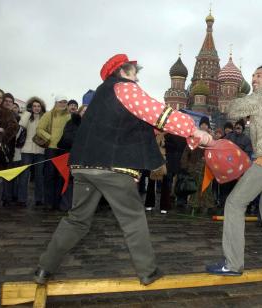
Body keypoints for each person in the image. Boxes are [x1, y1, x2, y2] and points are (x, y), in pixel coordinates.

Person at [34, 53, 212, 286]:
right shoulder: (125, 88)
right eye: (135, 72)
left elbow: (130, 125)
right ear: (124, 71)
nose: (137, 78)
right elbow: (158, 113)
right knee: (133, 219)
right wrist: (193, 130)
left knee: (76, 220)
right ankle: (148, 271)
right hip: (112, 166)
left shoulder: (101, 95)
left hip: (83, 166)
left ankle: (44, 268)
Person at [206, 65, 262, 276]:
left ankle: (233, 263)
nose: (254, 78)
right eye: (253, 76)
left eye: (259, 75)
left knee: (234, 203)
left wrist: (240, 98)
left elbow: (233, 110)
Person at [36, 95, 71, 210]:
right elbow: (39, 129)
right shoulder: (48, 115)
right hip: (51, 149)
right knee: (49, 176)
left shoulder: (69, 116)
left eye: (65, 102)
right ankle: (49, 202)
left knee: (61, 176)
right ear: (56, 103)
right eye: (60, 102)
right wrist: (49, 137)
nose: (63, 104)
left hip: (64, 150)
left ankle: (58, 203)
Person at [180, 116, 216, 215]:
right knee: (194, 186)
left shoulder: (211, 138)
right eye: (202, 124)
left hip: (207, 167)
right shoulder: (195, 136)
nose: (204, 126)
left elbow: (214, 152)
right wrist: (185, 165)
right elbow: (187, 150)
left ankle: (207, 206)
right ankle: (193, 206)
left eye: (206, 124)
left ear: (208, 126)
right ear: (200, 125)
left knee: (206, 187)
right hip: (194, 165)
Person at [17, 97, 47, 207]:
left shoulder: (44, 117)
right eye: (34, 106)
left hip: (40, 150)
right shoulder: (27, 116)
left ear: (41, 107)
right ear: (31, 106)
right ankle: (22, 199)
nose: (36, 108)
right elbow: (22, 124)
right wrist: (27, 112)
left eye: (38, 106)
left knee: (39, 176)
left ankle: (39, 199)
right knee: (24, 176)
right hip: (27, 149)